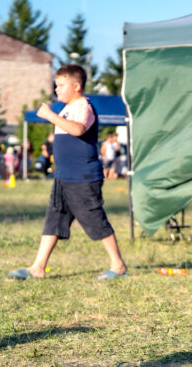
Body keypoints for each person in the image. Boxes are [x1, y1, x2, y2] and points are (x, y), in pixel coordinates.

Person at [7, 64, 128, 281]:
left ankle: (118, 265)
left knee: (94, 218)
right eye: (56, 85)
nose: (57, 89)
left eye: (61, 85)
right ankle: (38, 267)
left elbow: (78, 129)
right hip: (64, 177)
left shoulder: (84, 106)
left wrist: (50, 115)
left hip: (83, 177)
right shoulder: (66, 108)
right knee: (54, 220)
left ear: (77, 86)